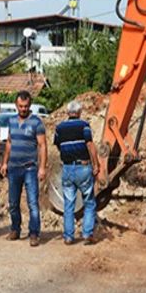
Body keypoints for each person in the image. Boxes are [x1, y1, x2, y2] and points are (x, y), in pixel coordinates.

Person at [1, 90, 47, 247]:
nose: (23, 109)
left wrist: (42, 167)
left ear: (30, 105)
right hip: (13, 168)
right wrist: (5, 163)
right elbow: (9, 142)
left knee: (33, 203)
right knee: (13, 202)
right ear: (16, 105)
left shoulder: (36, 122)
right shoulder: (11, 121)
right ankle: (15, 229)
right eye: (20, 106)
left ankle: (34, 233)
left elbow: (42, 145)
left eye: (26, 106)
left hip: (30, 169)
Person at [54, 100, 100, 245]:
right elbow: (90, 145)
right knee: (89, 202)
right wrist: (96, 164)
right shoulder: (84, 126)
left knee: (68, 204)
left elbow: (58, 145)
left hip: (67, 168)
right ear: (79, 113)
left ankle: (68, 236)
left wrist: (68, 155)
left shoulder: (59, 128)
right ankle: (87, 234)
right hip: (83, 167)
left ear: (68, 113)